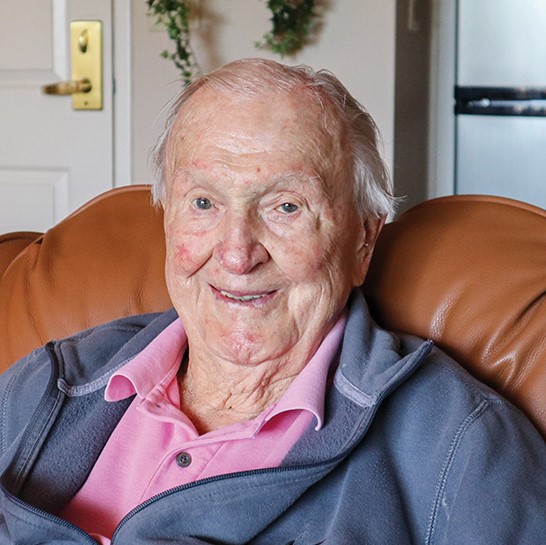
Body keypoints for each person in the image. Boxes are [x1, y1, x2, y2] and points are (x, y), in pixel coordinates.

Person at [0, 58, 545, 545]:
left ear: (362, 241)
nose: (237, 254)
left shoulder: (459, 445)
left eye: (286, 206)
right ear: (167, 220)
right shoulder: (50, 382)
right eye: (204, 201)